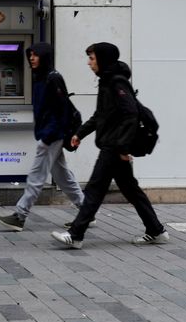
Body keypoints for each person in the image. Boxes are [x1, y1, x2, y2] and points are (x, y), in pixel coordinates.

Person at [51, 42, 169, 249]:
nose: (89, 63)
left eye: (92, 58)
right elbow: (100, 115)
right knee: (131, 190)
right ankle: (156, 230)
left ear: (103, 59)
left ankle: (76, 235)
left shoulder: (116, 83)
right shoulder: (107, 81)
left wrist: (123, 148)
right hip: (113, 145)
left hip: (113, 147)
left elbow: (131, 114)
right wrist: (80, 134)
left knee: (95, 189)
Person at [0, 42, 84, 231]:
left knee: (37, 175)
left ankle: (20, 215)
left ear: (45, 56)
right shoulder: (40, 77)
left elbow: (62, 111)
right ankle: (86, 211)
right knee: (62, 176)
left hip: (52, 135)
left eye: (36, 55)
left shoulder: (53, 78)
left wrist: (47, 136)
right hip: (48, 133)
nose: (32, 58)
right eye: (30, 55)